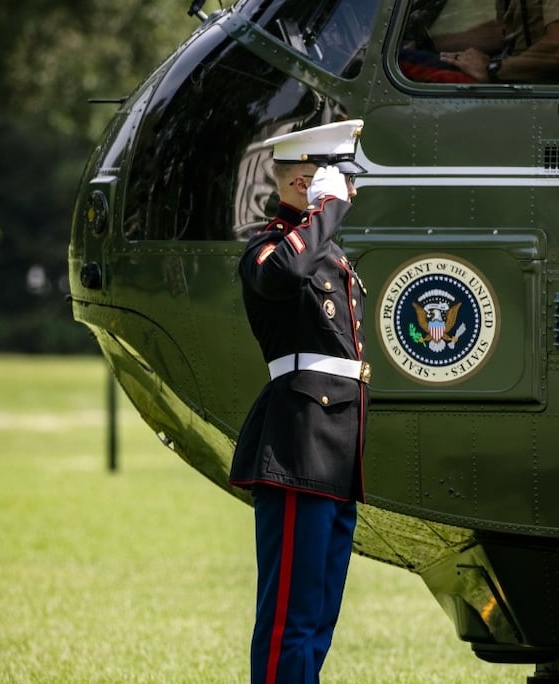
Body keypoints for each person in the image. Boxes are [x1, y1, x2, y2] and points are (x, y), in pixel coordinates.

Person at [229, 119, 371, 684]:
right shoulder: (270, 250)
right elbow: (284, 272)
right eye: (337, 179)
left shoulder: (324, 253)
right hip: (298, 445)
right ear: (300, 185)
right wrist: (325, 211)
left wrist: (324, 218)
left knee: (317, 616)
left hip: (335, 448)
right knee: (290, 613)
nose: (349, 191)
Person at [400, 0, 559, 83]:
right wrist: (431, 45)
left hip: (542, 84)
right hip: (514, 76)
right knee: (411, 57)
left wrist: (492, 69)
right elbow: (502, 31)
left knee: (402, 62)